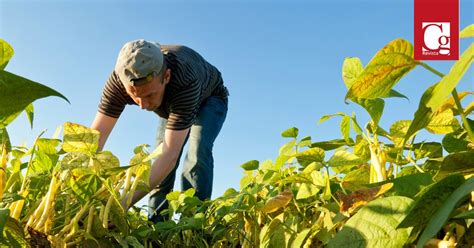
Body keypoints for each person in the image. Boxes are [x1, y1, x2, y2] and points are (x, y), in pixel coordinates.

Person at [91, 39, 229, 222]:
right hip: (170, 103)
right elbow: (94, 139)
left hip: (210, 98)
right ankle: (156, 225)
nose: (143, 106)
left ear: (166, 76)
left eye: (149, 95)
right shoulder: (118, 82)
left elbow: (170, 154)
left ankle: (194, 224)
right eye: (135, 96)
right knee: (158, 162)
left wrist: (120, 204)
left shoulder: (185, 79)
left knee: (197, 152)